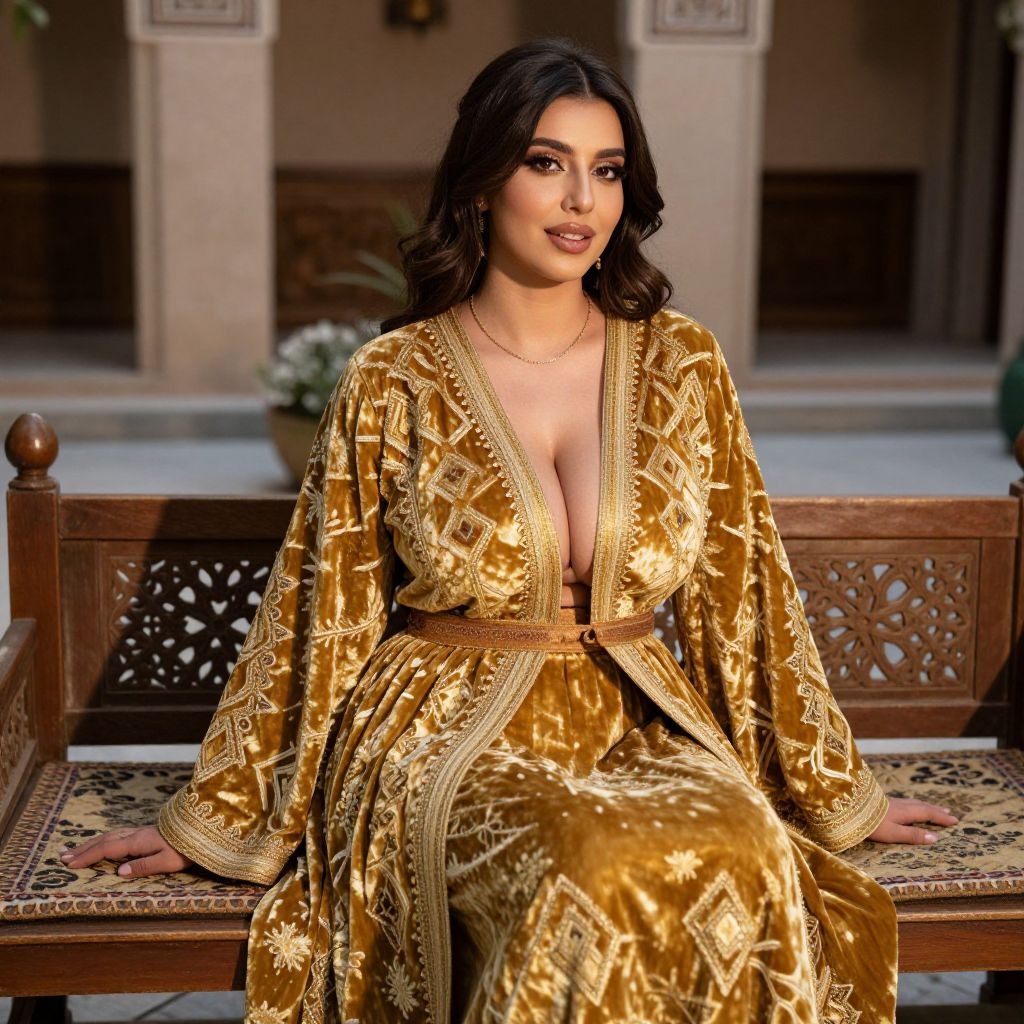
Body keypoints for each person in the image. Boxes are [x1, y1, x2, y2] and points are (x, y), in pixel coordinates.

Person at [59, 36, 957, 1024]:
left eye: (606, 171)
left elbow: (747, 594)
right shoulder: (393, 378)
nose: (582, 201)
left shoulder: (681, 364)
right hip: (444, 724)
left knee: (743, 847)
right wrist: (223, 815)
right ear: (482, 183)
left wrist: (834, 792)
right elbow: (319, 610)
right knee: (586, 868)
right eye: (546, 163)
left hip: (637, 715)